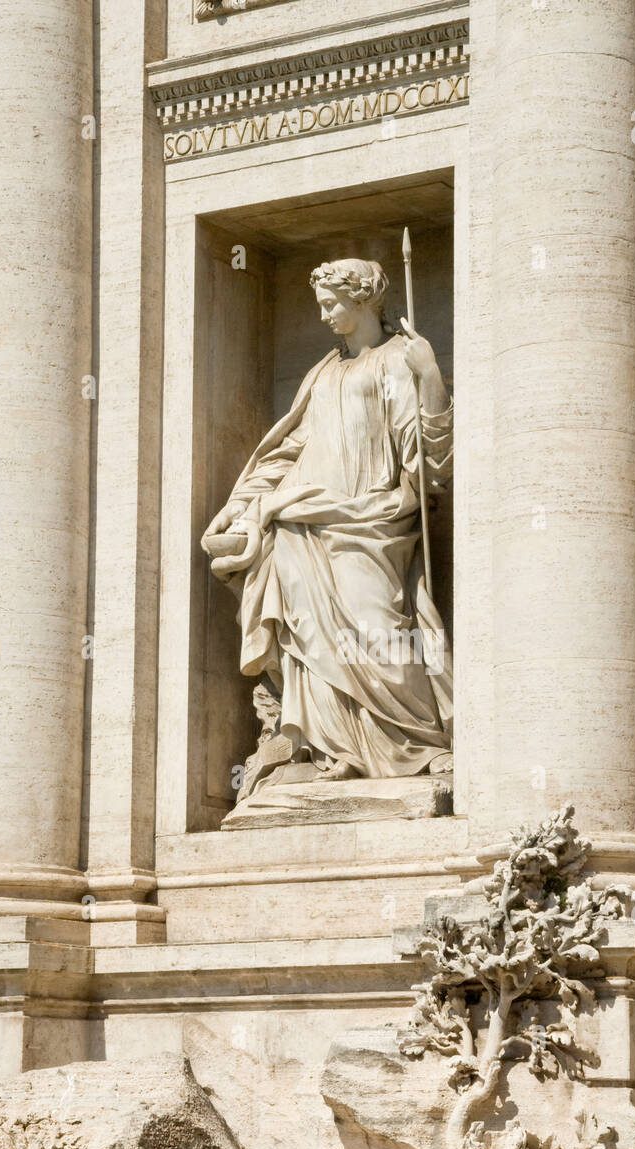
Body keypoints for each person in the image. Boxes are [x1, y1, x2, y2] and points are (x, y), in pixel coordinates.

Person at [202, 256, 453, 790]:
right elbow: (289, 449)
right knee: (311, 636)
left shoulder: (396, 361)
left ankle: (420, 739)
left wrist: (429, 374)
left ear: (363, 300)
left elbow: (428, 456)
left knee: (378, 623)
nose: (323, 316)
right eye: (318, 306)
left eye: (331, 304)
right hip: (303, 519)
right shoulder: (322, 372)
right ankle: (333, 745)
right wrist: (243, 502)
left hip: (371, 516)